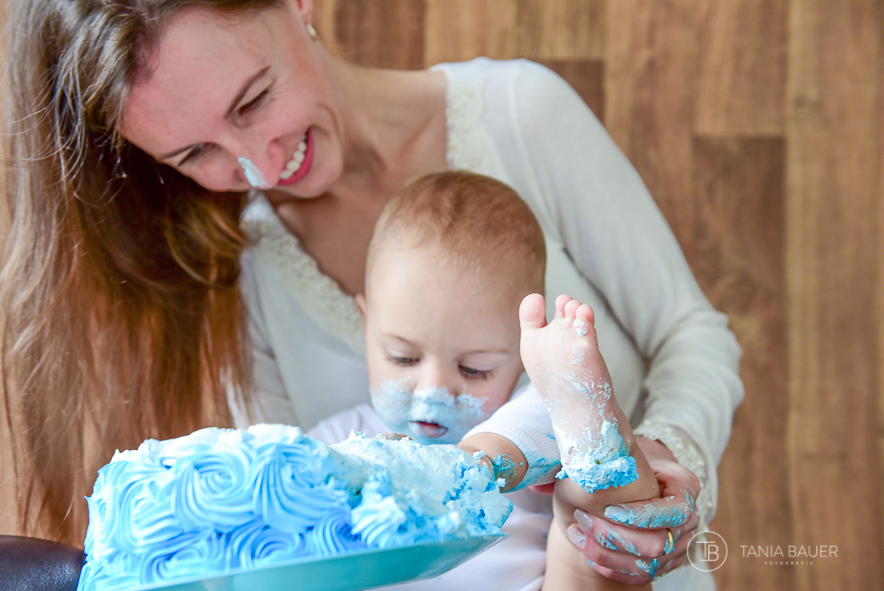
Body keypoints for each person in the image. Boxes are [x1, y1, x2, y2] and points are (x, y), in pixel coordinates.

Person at [0, 0, 743, 587]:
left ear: (299, 2)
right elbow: (298, 525)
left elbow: (693, 334)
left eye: (254, 99)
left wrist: (670, 465)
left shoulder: (521, 113)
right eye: (195, 153)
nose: (259, 164)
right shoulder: (241, 269)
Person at [308, 170, 660, 591]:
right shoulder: (340, 442)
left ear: (522, 353)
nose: (433, 390)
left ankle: (597, 442)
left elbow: (545, 417)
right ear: (366, 328)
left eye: (474, 369)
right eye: (404, 358)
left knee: (590, 518)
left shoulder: (527, 416)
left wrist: (472, 463)